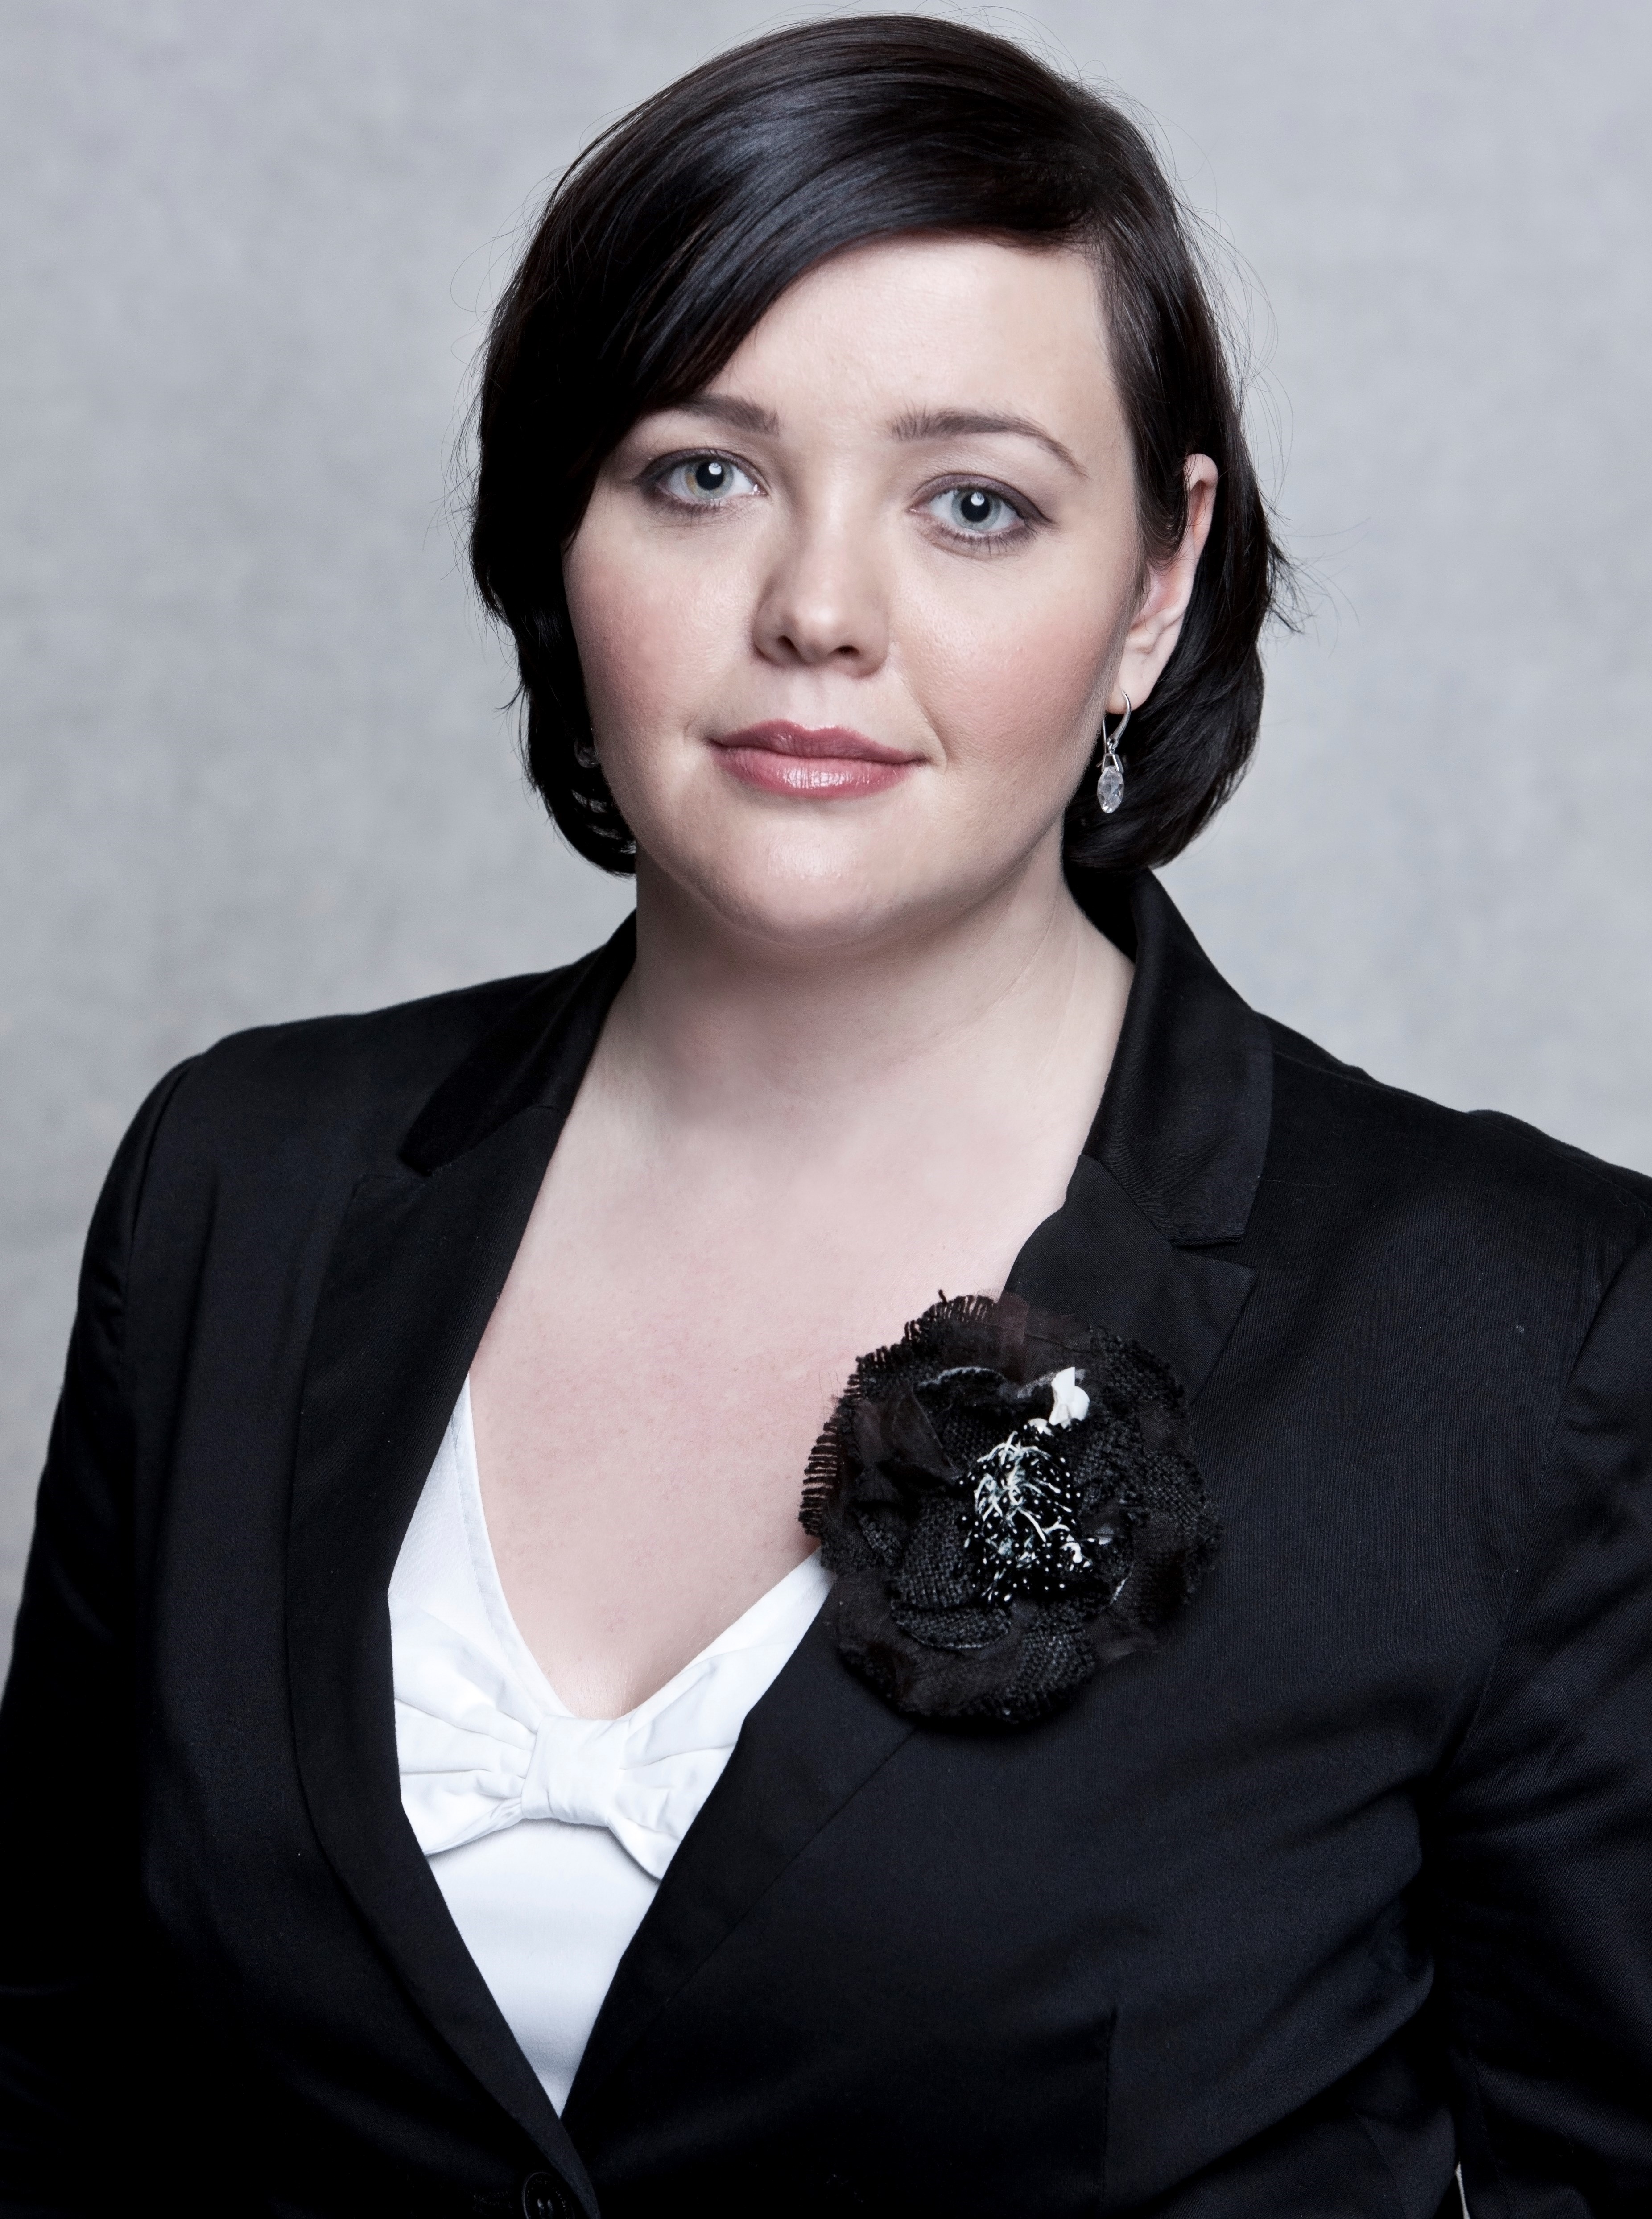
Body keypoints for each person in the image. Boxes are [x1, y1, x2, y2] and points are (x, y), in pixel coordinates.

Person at [1, 16, 1647, 2217]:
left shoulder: (1525, 1328)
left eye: (973, 505)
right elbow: (52, 2086)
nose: (816, 612)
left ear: (1155, 580)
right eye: (703, 473)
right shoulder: (243, 1183)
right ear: (559, 517)